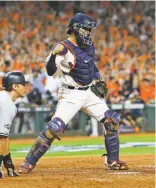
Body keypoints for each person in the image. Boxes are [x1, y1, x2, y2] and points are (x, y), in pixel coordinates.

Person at [18, 13, 128, 174]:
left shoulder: (89, 46)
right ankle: (28, 162)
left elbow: (91, 66)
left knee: (111, 121)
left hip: (89, 92)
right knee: (55, 128)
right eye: (86, 30)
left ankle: (112, 160)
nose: (89, 34)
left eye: (90, 30)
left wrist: (99, 79)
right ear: (75, 29)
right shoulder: (63, 48)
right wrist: (54, 54)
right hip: (70, 94)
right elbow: (49, 71)